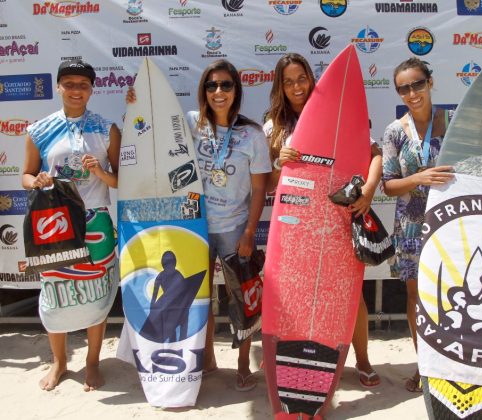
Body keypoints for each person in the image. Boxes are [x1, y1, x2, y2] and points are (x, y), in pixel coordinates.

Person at [126, 59, 271, 392]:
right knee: (196, 296)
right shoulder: (190, 123)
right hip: (194, 225)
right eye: (211, 85)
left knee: (241, 298)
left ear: (237, 90)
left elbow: (260, 187)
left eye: (226, 85)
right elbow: (151, 128)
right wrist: (136, 103)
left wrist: (250, 232)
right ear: (203, 91)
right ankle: (205, 360)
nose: (218, 92)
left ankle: (242, 363)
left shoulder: (251, 133)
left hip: (234, 228)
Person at [264, 52, 381, 388]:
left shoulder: (338, 114)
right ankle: (297, 362)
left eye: (302, 78)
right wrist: (278, 164)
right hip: (296, 224)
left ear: (312, 80)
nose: (296, 87)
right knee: (293, 293)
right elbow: (268, 184)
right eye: (288, 82)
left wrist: (369, 191)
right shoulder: (274, 126)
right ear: (280, 87)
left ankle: (362, 360)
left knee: (349, 294)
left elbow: (375, 156)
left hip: (338, 216)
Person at [22, 60, 121, 392]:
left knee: (97, 293)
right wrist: (36, 180)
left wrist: (99, 173)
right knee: (55, 294)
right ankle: (60, 362)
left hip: (96, 221)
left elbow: (121, 180)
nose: (76, 90)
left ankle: (92, 363)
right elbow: (24, 176)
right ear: (59, 87)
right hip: (55, 223)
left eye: (83, 84)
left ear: (92, 89)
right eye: (70, 83)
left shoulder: (107, 129)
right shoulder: (40, 129)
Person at [381, 57, 454, 392]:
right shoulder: (395, 131)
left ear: (430, 82)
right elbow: (388, 185)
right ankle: (424, 366)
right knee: (416, 298)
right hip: (411, 228)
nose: (412, 93)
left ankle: (453, 366)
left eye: (417, 84)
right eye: (404, 88)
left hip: (454, 226)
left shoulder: (455, 122)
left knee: (453, 297)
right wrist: (420, 177)